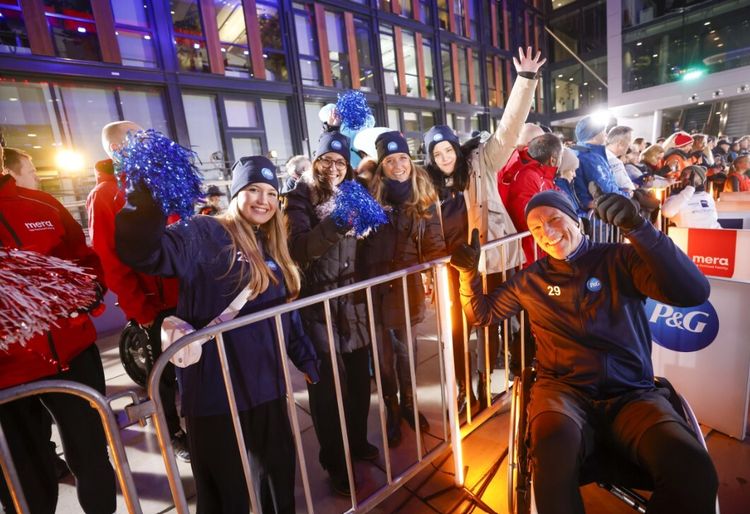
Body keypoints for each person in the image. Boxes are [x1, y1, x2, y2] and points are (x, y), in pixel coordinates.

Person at [450, 189, 718, 514]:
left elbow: (693, 292)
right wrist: (468, 276)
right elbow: (481, 315)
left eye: (554, 219)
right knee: (551, 465)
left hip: (632, 394)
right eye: (536, 228)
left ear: (576, 220)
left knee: (694, 470)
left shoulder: (620, 259)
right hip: (562, 395)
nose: (547, 232)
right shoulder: (531, 280)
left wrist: (639, 228)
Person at [115, 155, 319, 514]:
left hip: (266, 387)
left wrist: (306, 357)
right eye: (253, 189)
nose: (263, 200)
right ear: (236, 193)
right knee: (226, 496)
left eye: (271, 193)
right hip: (215, 393)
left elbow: (285, 313)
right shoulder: (204, 232)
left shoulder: (273, 244)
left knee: (277, 480)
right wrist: (147, 194)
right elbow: (144, 252)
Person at [423, 46, 545, 412]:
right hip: (451, 269)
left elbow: (509, 129)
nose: (445, 158)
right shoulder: (427, 186)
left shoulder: (481, 162)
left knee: (490, 326)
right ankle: (466, 390)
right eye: (437, 154)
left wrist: (525, 80)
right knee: (457, 333)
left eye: (448, 150)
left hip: (489, 262)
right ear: (431, 158)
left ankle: (487, 382)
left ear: (457, 149)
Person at [0, 152, 117, 514]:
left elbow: (85, 260)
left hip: (72, 355)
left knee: (92, 457)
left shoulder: (42, 204)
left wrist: (90, 290)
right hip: (6, 375)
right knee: (24, 482)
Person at [87, 121, 189, 461]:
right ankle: (172, 432)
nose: (148, 140)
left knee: (194, 365)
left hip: (184, 295)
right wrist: (139, 309)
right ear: (119, 147)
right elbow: (109, 260)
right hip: (153, 305)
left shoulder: (159, 179)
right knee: (162, 375)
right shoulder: (104, 194)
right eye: (138, 137)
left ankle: (200, 422)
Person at [285, 132, 376, 496]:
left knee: (358, 382)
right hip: (318, 304)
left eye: (341, 162)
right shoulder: (299, 197)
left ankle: (357, 441)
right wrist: (338, 221)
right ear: (316, 161)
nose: (334, 168)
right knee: (325, 391)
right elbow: (299, 249)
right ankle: (335, 461)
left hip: (352, 302)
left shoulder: (356, 192)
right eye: (327, 160)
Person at [358, 131, 446, 447]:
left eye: (403, 158)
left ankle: (409, 403)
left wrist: (444, 265)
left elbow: (434, 242)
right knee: (383, 358)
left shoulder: (424, 195)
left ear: (411, 160)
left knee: (408, 352)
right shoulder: (369, 197)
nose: (398, 166)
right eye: (390, 160)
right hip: (375, 290)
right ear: (381, 166)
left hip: (408, 289)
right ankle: (391, 409)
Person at [504, 133, 564, 266]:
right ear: (553, 160)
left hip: (544, 252)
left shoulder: (543, 176)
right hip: (532, 256)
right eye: (561, 157)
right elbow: (526, 219)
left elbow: (564, 203)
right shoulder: (528, 176)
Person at [571, 116, 623, 210]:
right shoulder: (589, 157)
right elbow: (605, 189)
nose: (606, 134)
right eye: (603, 131)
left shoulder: (582, 152)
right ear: (594, 135)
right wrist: (626, 195)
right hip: (600, 211)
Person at [605, 126, 636, 195]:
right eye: (629, 141)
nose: (630, 146)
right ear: (620, 143)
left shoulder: (601, 155)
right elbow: (627, 187)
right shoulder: (613, 161)